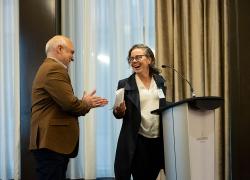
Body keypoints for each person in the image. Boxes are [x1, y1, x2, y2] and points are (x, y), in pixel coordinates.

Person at [29, 35, 108, 180]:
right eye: (71, 52)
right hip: (52, 142)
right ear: (59, 49)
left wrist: (83, 102)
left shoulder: (48, 68)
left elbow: (64, 102)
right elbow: (70, 105)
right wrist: (87, 103)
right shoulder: (54, 69)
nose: (72, 57)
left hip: (50, 142)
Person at [113, 44, 166, 180]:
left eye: (138, 57)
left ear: (149, 60)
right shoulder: (125, 84)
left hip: (158, 140)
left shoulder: (160, 81)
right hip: (138, 141)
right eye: (131, 59)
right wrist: (119, 111)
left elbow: (162, 104)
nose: (134, 61)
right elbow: (117, 112)